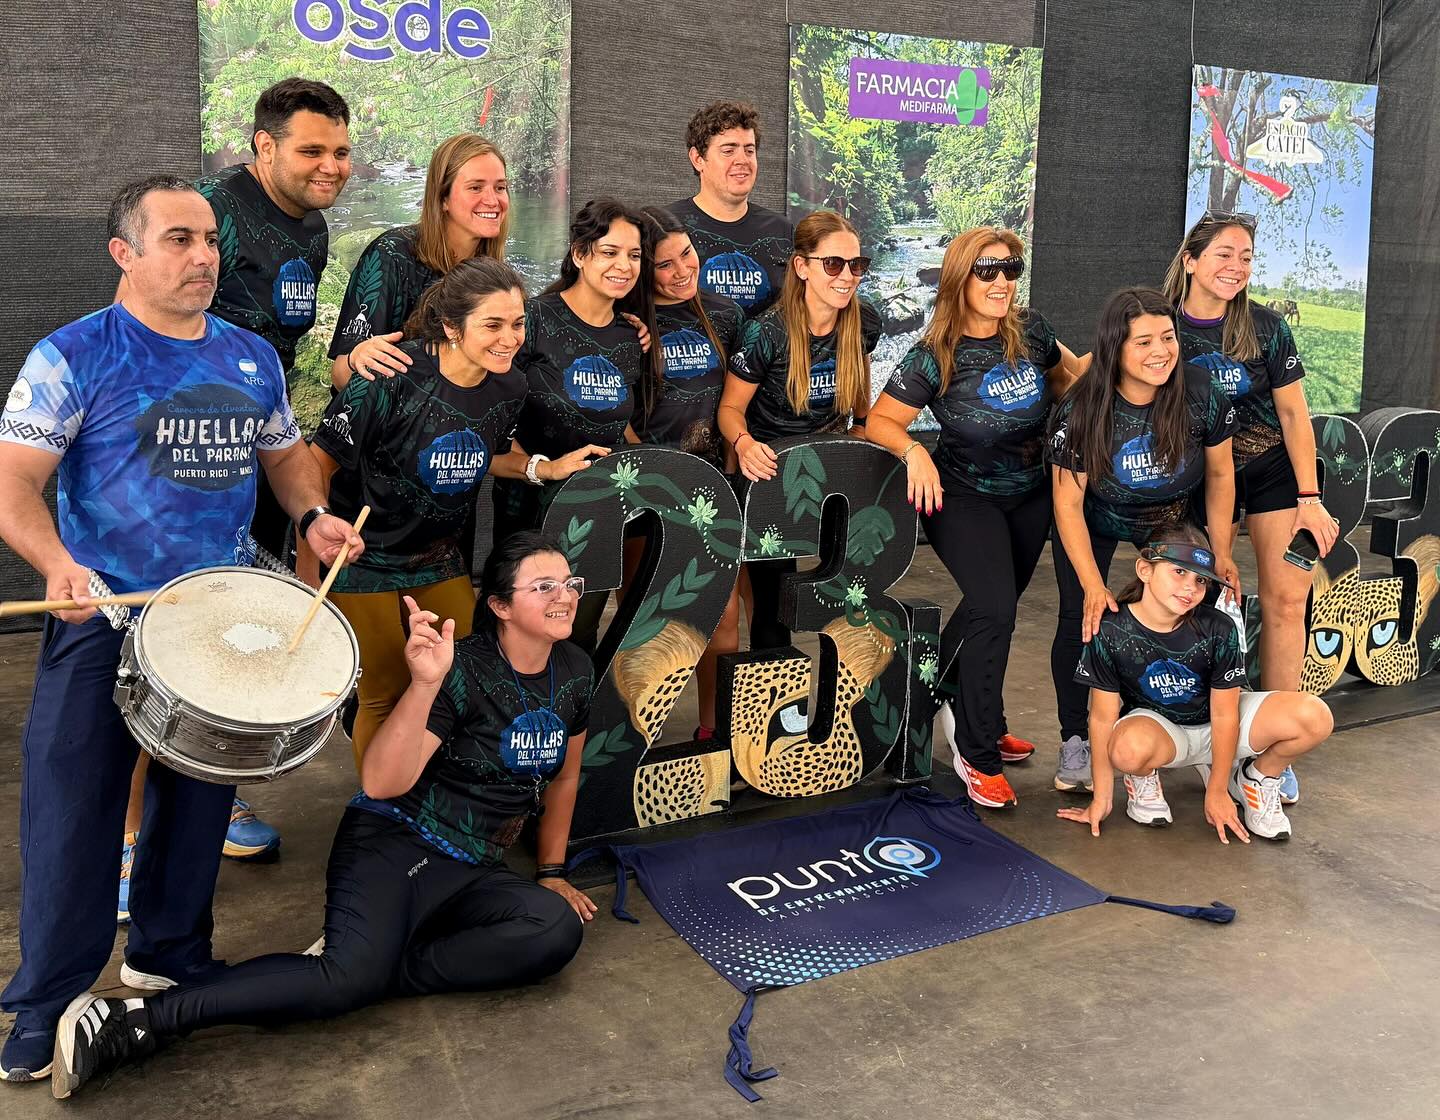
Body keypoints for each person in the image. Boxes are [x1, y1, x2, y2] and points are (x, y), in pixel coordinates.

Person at [0, 176, 363, 1084]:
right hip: (106, 610)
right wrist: (55, 565)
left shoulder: (250, 357)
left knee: (202, 798)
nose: (204, 256)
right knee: (73, 810)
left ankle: (169, 951)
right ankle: (45, 999)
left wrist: (313, 513)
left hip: (222, 612)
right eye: (178, 240)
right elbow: (12, 487)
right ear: (124, 253)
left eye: (209, 240)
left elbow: (281, 455)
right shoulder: (73, 354)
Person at [49, 533, 597, 1100]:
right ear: (502, 605)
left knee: (552, 930)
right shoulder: (464, 667)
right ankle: (136, 1021)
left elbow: (563, 777)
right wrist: (426, 683)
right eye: (545, 586)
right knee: (343, 979)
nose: (566, 595)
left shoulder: (576, 670)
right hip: (398, 843)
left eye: (570, 583)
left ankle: (370, 966)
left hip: (476, 867)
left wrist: (552, 870)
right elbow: (383, 782)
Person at [116, 78, 354, 879]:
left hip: (261, 450)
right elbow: (139, 323)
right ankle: (126, 838)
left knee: (231, 622)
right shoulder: (210, 208)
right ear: (264, 147)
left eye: (341, 152)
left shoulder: (313, 228)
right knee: (158, 640)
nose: (330, 166)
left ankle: (218, 792)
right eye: (311, 150)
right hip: (184, 453)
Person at [865, 227, 1088, 808]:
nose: (1001, 282)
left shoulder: (1032, 331)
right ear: (959, 276)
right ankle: (977, 750)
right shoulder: (933, 353)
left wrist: (1136, 350)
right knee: (994, 607)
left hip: (1031, 495)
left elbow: (1072, 382)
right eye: (987, 270)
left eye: (1011, 269)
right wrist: (914, 450)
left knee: (994, 611)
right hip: (961, 498)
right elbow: (880, 422)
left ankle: (953, 697)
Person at [300, 258, 532, 764]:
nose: (509, 338)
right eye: (492, 324)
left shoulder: (510, 387)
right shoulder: (390, 374)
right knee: (383, 690)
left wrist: (543, 468)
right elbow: (317, 464)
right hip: (363, 557)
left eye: (517, 323)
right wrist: (308, 570)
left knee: (457, 678)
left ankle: (430, 791)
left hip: (438, 554)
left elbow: (486, 453)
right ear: (451, 327)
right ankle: (380, 811)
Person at [1163, 211, 1340, 804]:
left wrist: (1310, 499)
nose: (1236, 267)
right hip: (1196, 475)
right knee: (1193, 598)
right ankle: (1187, 732)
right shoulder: (1159, 326)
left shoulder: (1266, 328)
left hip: (1270, 477)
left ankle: (1269, 754)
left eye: (1245, 258)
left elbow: (1293, 414)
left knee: (1288, 598)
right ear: (1190, 260)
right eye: (1224, 255)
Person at [1046, 287, 1239, 796]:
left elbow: (1220, 476)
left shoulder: (1201, 392)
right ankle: (1077, 740)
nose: (1161, 351)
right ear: (1116, 347)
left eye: (1169, 337)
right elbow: (1067, 504)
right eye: (1144, 341)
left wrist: (1220, 552)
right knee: (1081, 618)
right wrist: (1091, 583)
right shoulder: (1081, 409)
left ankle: (1182, 729)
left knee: (1196, 605)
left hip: (1172, 514)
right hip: (1097, 514)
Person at [1056, 528, 1332, 841]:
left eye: (1200, 580)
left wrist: (1216, 791)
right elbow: (1103, 717)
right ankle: (1143, 779)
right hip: (1165, 732)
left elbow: (1226, 714)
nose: (1190, 588)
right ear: (1145, 570)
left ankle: (1255, 777)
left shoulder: (1218, 627)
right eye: (1179, 572)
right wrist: (1102, 799)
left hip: (1220, 726)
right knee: (1127, 749)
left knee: (1315, 716)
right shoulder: (1110, 630)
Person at [493, 197, 654, 652]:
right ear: (580, 254)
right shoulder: (535, 320)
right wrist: (539, 468)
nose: (624, 265)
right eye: (609, 252)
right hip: (531, 507)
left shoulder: (629, 337)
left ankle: (571, 723)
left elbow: (617, 426)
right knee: (520, 634)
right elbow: (495, 413)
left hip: (599, 511)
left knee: (578, 634)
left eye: (634, 255)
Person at [717, 209, 881, 651]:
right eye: (833, 264)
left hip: (833, 466)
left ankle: (842, 703)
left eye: (856, 265)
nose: (847, 276)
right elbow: (730, 408)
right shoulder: (765, 333)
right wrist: (744, 442)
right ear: (802, 266)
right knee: (775, 603)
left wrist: (862, 425)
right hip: (773, 470)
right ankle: (780, 712)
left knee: (849, 589)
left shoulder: (864, 322)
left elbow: (860, 378)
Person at [634, 205, 746, 738]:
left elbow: (738, 401)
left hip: (715, 489)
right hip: (648, 492)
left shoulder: (723, 314)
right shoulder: (627, 324)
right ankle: (634, 742)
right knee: (649, 622)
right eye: (664, 264)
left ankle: (715, 734)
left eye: (688, 255)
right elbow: (615, 414)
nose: (682, 271)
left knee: (723, 621)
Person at [330, 133, 510, 388]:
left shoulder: (496, 273)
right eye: (476, 187)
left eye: (500, 187)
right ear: (443, 198)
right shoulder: (391, 256)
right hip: (389, 418)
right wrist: (357, 359)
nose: (493, 200)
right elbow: (340, 376)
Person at [668, 100, 793, 316]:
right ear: (698, 159)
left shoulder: (782, 231)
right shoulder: (664, 225)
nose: (742, 160)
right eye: (728, 151)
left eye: (749, 150)